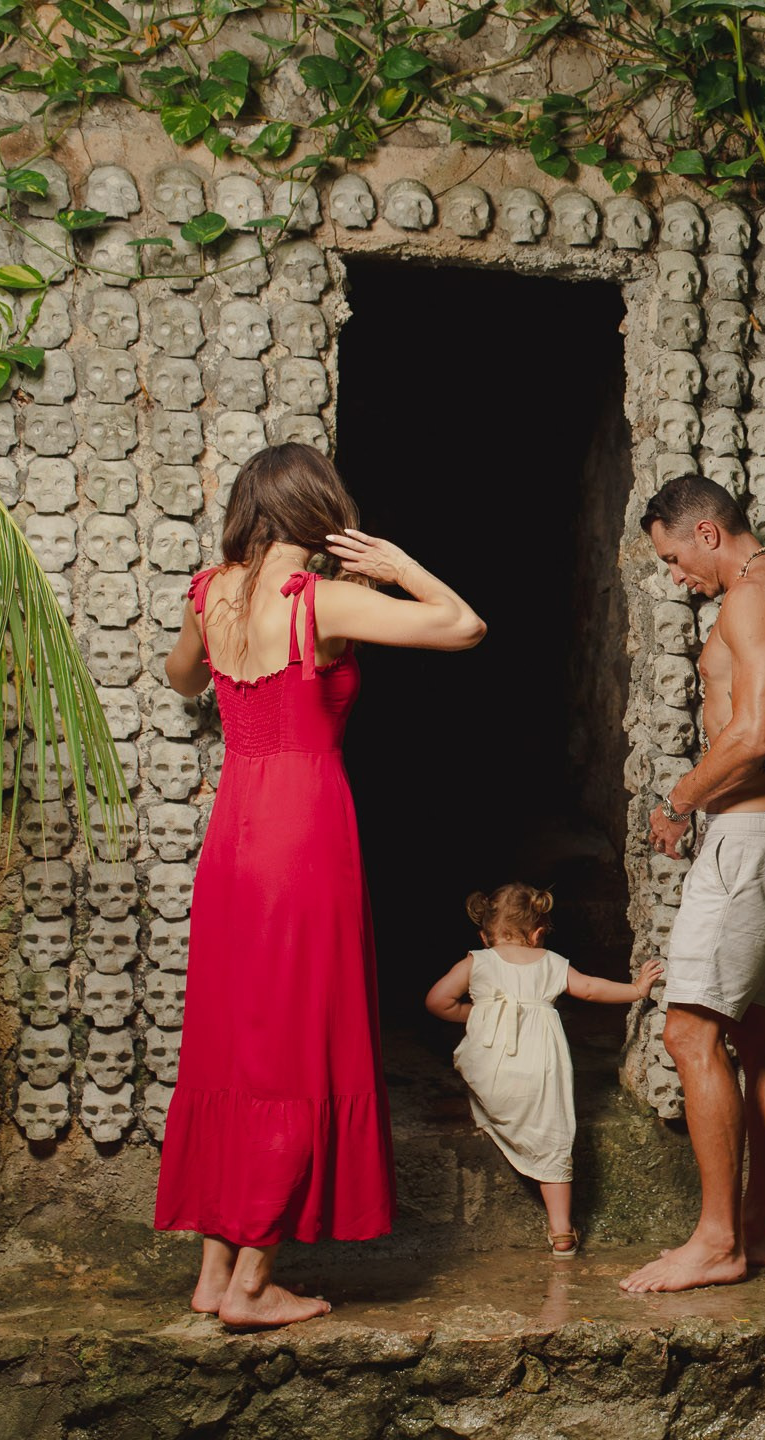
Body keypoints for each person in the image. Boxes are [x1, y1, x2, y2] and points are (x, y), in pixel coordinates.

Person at [154, 443, 487, 1328]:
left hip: (235, 833)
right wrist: (399, 566)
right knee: (297, 1041)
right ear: (321, 510)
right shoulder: (322, 600)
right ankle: (252, 1285)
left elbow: (181, 677)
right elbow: (463, 626)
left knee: (234, 1045)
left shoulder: (211, 591)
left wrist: (219, 653)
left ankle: (213, 1272)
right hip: (303, 831)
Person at [621, 475, 765, 1294]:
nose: (676, 577)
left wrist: (678, 803)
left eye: (675, 559)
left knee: (688, 1032)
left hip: (748, 842)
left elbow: (751, 734)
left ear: (707, 533)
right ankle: (761, 1230)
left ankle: (716, 1242)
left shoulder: (753, 597)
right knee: (763, 1035)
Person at [424, 882, 664, 1256]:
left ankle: (494, 1115)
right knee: (553, 1137)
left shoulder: (476, 961)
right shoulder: (552, 962)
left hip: (492, 1078)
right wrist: (636, 989)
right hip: (539, 1075)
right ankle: (561, 1232)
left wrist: (479, 1014)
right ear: (537, 934)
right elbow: (590, 988)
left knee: (486, 1080)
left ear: (485, 936)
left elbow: (437, 1001)